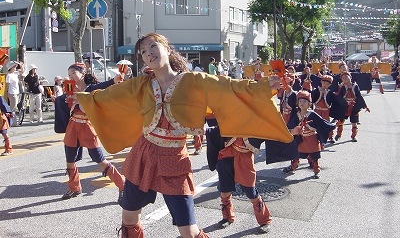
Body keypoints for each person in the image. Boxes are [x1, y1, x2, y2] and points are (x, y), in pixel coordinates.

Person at [76, 33, 292, 238]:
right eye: (143, 51)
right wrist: (85, 100)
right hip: (143, 156)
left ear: (167, 49)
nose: (148, 52)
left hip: (175, 160)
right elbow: (108, 96)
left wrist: (263, 87)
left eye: (153, 46)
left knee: (189, 231)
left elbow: (229, 87)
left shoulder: (192, 81)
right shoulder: (141, 85)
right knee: (129, 219)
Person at [57, 63, 125, 201]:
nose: (71, 76)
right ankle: (74, 188)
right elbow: (67, 105)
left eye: (73, 73)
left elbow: (105, 85)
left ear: (82, 73)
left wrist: (115, 80)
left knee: (100, 160)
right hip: (72, 127)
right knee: (70, 161)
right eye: (69, 74)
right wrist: (67, 101)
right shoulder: (71, 88)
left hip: (87, 128)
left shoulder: (91, 89)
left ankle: (123, 186)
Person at [205, 121, 271, 233]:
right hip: (227, 155)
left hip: (245, 159)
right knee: (224, 190)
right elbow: (219, 127)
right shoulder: (231, 113)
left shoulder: (254, 117)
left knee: (251, 191)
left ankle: (265, 220)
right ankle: (227, 217)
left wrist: (291, 132)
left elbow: (272, 132)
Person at [283, 91, 335, 178]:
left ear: (309, 104)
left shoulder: (312, 114)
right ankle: (293, 166)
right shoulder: (296, 114)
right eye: (300, 101)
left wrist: (332, 125)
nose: (302, 103)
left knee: (315, 155)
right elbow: (291, 125)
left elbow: (322, 123)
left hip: (312, 138)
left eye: (304, 101)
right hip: (301, 138)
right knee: (297, 153)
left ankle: (316, 170)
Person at [333, 72, 370, 142]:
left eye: (346, 77)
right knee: (341, 121)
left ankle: (354, 136)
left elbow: (359, 96)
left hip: (354, 107)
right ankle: (338, 134)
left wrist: (365, 106)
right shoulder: (342, 87)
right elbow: (339, 97)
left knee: (354, 122)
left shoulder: (355, 86)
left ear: (350, 77)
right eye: (343, 78)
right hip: (345, 106)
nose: (345, 79)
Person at [0, 81, 14, 156]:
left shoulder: (0, 97)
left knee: (4, 133)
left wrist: (8, 113)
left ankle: (9, 149)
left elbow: (4, 106)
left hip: (1, 118)